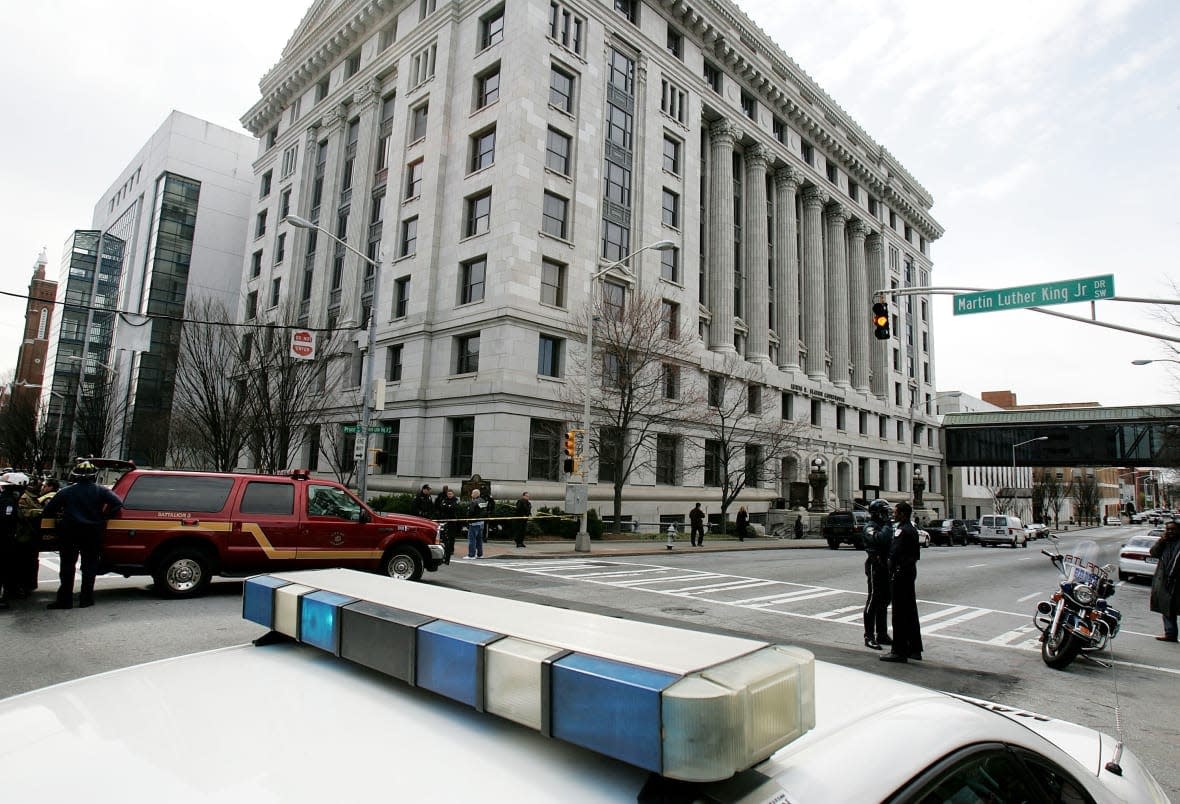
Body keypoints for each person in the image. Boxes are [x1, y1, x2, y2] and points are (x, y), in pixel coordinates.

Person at [42, 461, 123, 610]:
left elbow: (49, 509)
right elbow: (118, 503)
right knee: (89, 567)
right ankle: (86, 599)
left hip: (70, 533)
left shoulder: (66, 491)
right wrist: (104, 517)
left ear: (75, 475)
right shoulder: (101, 491)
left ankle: (65, 600)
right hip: (93, 533)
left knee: (67, 566)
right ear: (94, 476)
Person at [881, 501, 923, 663]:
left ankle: (898, 651)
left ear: (903, 514)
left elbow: (895, 552)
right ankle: (914, 649)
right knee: (910, 611)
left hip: (901, 574)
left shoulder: (903, 530)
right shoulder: (911, 529)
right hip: (908, 572)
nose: (893, 514)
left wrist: (893, 569)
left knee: (899, 613)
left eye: (896, 512)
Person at [862, 500, 894, 651]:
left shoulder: (884, 526)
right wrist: (888, 525)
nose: (887, 515)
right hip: (876, 565)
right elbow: (880, 539)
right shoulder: (870, 527)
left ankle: (881, 633)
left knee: (885, 599)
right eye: (885, 512)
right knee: (873, 599)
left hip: (887, 566)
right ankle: (868, 636)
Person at [1149, 520, 1180, 642]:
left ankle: (1171, 633)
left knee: (1173, 606)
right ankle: (1170, 634)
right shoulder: (1165, 543)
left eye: (1173, 529)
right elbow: (1153, 553)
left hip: (1177, 581)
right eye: (1168, 529)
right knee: (1167, 607)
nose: (1170, 532)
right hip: (1165, 581)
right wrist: (1161, 541)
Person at [436, 487, 459, 565]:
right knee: (445, 537)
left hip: (452, 522)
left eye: (450, 494)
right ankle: (446, 552)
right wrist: (447, 506)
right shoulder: (444, 500)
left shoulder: (455, 500)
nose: (449, 495)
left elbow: (453, 508)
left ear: (453, 494)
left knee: (452, 537)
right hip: (445, 521)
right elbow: (442, 507)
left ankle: (451, 550)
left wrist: (448, 506)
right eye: (448, 494)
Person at [464, 488, 489, 559]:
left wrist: (468, 521)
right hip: (481, 523)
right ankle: (480, 554)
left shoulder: (474, 502)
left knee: (472, 540)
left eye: (472, 493)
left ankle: (471, 555)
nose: (471, 495)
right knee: (479, 540)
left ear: (475, 494)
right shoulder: (483, 501)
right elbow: (485, 512)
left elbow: (470, 512)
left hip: (474, 523)